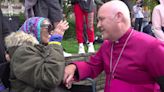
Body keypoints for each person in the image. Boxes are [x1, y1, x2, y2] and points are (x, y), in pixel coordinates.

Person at [64, 1, 164, 92]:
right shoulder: (107, 45)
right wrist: (74, 67)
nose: (98, 25)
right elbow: (92, 66)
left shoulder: (151, 46)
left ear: (118, 17)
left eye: (101, 19)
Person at [5, 17, 70, 92]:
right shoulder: (23, 52)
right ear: (34, 29)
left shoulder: (39, 48)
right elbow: (50, 78)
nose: (51, 32)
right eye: (48, 28)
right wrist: (55, 44)